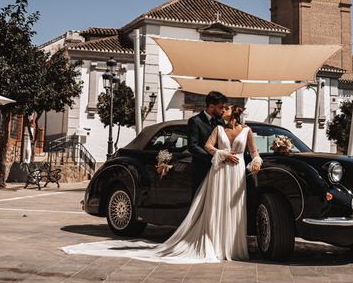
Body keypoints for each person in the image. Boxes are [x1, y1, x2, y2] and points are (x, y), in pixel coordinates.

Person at [101, 102, 262, 264]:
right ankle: (217, 246)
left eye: (226, 109)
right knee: (217, 207)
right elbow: (207, 146)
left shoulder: (247, 130)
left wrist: (257, 161)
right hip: (220, 172)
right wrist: (223, 154)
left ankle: (231, 247)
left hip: (236, 174)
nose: (222, 111)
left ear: (234, 112)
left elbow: (254, 151)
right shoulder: (218, 129)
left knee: (233, 208)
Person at [187, 91, 230, 196]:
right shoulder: (195, 121)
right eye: (221, 107)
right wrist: (214, 157)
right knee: (198, 199)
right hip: (202, 168)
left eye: (225, 108)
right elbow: (192, 146)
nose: (223, 110)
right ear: (211, 106)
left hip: (219, 169)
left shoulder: (220, 122)